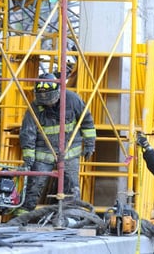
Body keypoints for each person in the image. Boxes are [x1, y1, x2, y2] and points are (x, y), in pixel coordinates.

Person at [17, 72, 96, 213]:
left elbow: (87, 121)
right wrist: (28, 156)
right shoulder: (35, 107)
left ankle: (70, 216)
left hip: (69, 152)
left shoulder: (72, 100)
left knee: (71, 187)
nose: (47, 102)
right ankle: (22, 216)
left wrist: (90, 143)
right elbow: (28, 133)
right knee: (34, 186)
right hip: (43, 154)